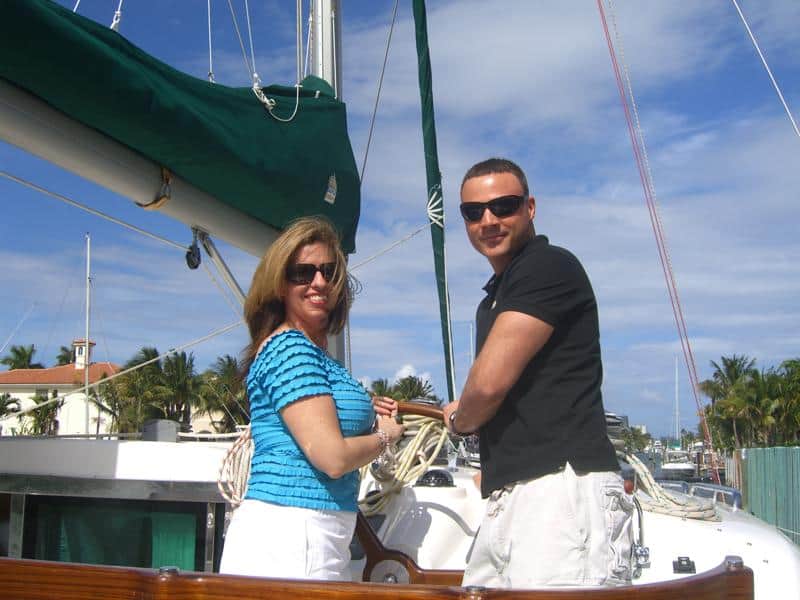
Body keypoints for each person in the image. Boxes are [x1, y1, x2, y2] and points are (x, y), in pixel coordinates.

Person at [442, 158, 633, 588]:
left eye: (503, 206)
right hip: (515, 493)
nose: (488, 220)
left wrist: (457, 418)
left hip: (560, 494)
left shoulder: (548, 267)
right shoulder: (496, 297)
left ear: (529, 208)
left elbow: (488, 385)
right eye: (473, 212)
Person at [220, 216, 405, 581]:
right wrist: (387, 437)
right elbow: (333, 458)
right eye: (302, 273)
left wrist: (371, 410)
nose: (318, 282)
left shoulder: (314, 355)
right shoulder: (291, 349)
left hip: (316, 535)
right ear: (279, 284)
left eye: (329, 271)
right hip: (292, 536)